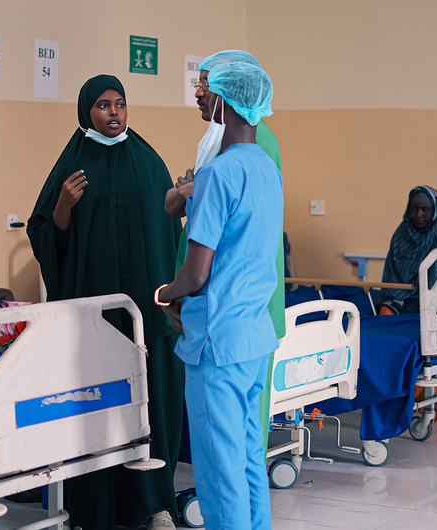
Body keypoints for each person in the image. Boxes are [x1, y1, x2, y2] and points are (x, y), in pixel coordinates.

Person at [27, 75, 182, 530]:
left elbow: (167, 231)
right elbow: (43, 232)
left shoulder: (149, 162)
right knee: (94, 400)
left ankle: (154, 504)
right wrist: (63, 209)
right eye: (102, 106)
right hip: (93, 311)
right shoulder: (74, 163)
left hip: (144, 314)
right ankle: (89, 508)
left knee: (148, 397)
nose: (113, 113)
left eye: (120, 104)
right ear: (85, 112)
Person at [156, 60, 280, 530]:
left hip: (218, 342)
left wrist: (165, 293)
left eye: (207, 91)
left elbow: (196, 273)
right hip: (254, 340)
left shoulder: (217, 176)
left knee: (218, 471)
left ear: (224, 104)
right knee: (249, 459)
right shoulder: (266, 168)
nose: (200, 98)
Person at [377, 185, 437, 314]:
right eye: (415, 208)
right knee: (385, 312)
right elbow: (391, 275)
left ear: (435, 210)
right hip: (404, 294)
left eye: (425, 209)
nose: (419, 214)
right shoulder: (401, 233)